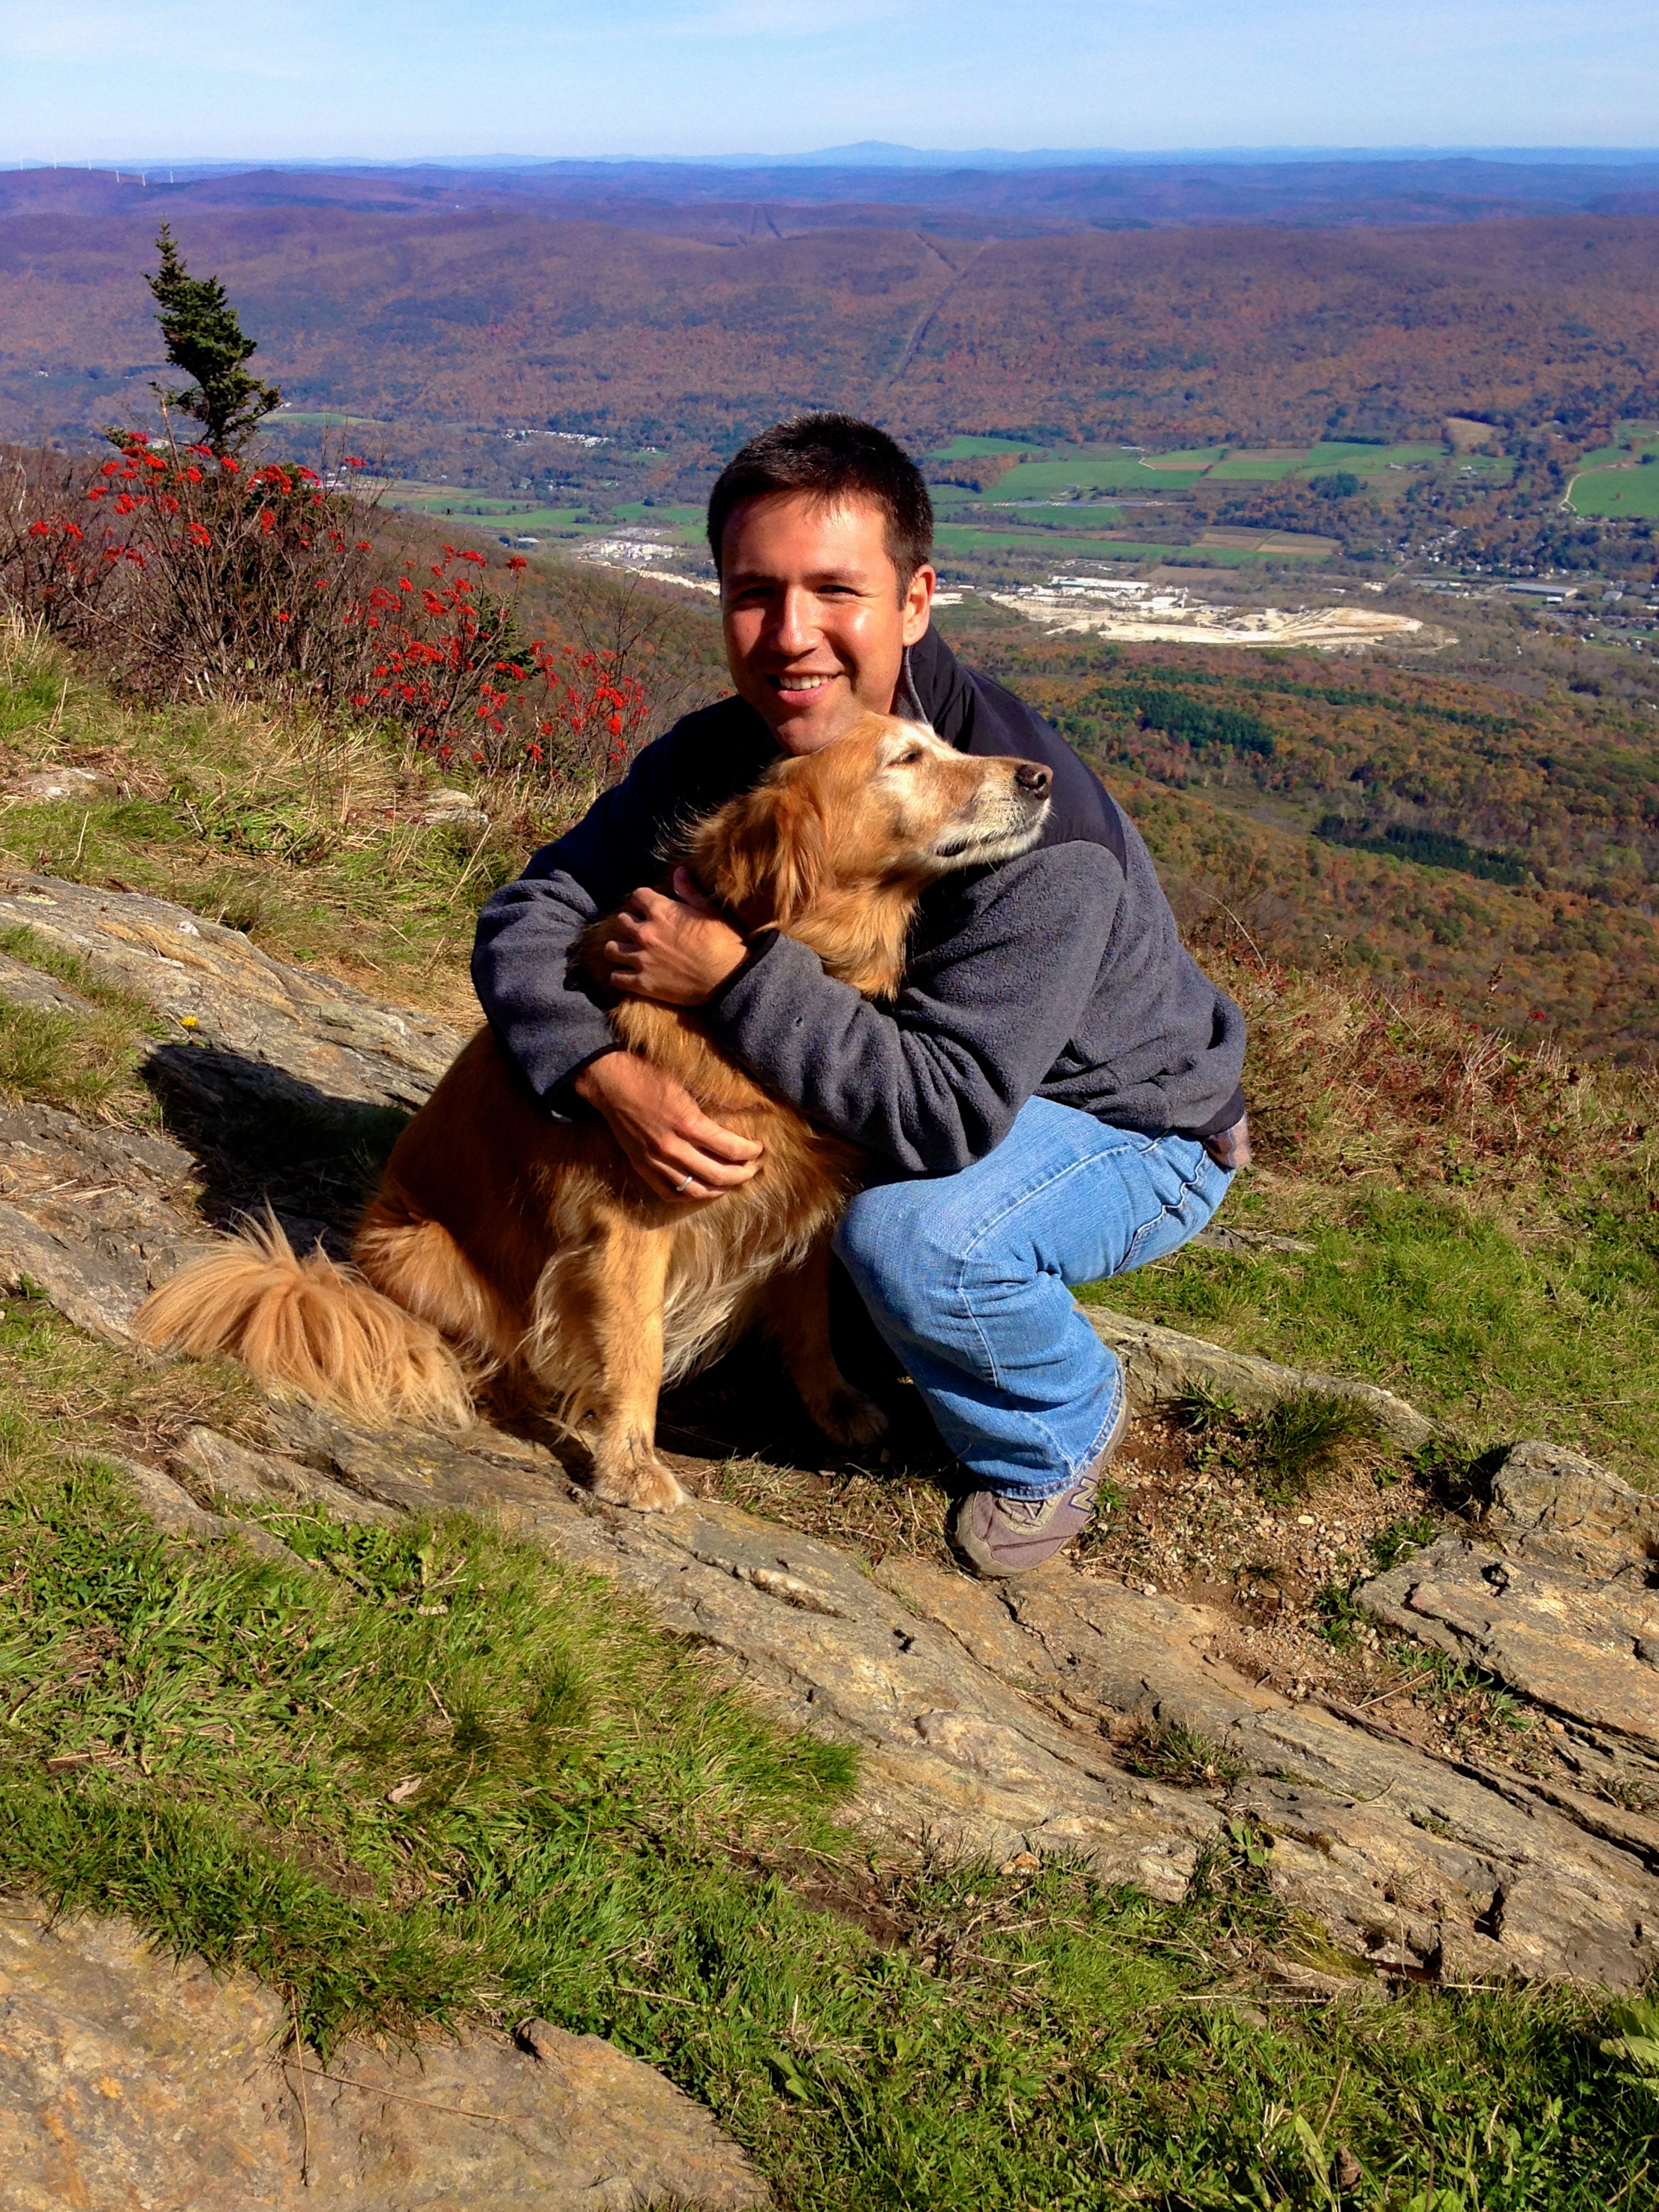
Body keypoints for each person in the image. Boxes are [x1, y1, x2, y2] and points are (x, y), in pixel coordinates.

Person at [472, 414, 1248, 1577]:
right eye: (754, 592)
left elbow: (942, 1113)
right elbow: (533, 913)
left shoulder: (1032, 829)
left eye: (836, 591)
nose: (790, 637)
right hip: (926, 1083)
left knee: (911, 1235)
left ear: (915, 601)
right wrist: (600, 1071)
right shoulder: (736, 756)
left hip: (1126, 1127)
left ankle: (1055, 1429)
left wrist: (731, 976)